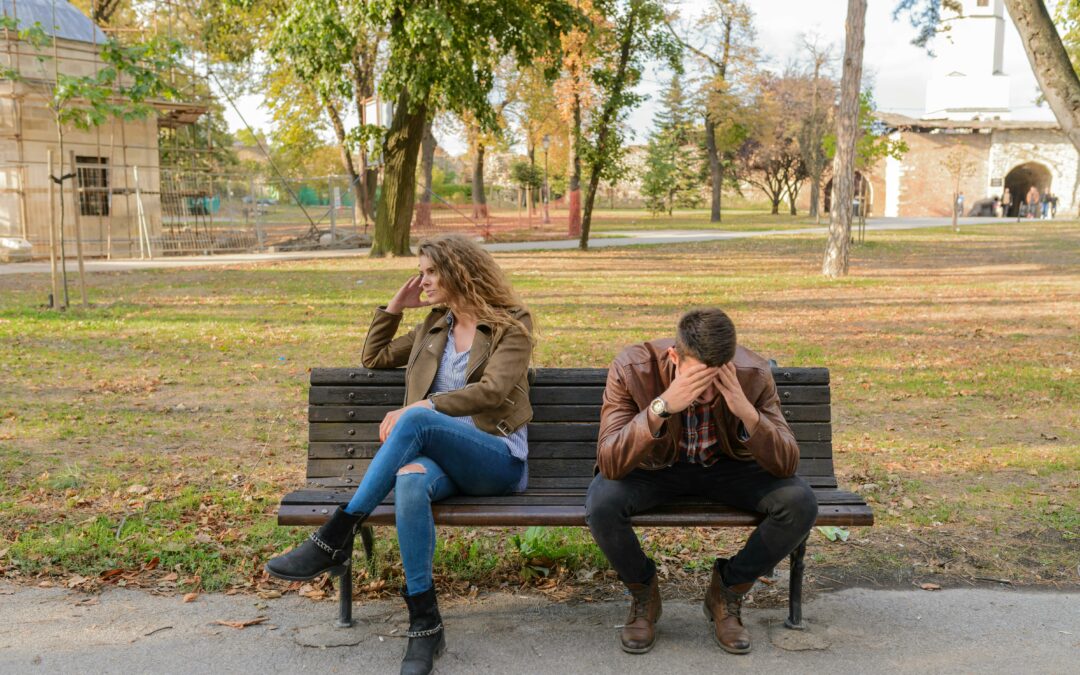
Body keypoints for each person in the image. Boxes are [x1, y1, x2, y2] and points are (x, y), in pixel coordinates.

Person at [265, 234, 534, 675]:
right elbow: (374, 357)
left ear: (458, 271)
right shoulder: (434, 326)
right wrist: (394, 307)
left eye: (430, 272)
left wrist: (424, 406)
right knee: (409, 479)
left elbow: (493, 392)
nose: (422, 281)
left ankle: (336, 534)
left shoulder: (511, 323)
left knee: (415, 420)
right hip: (440, 459)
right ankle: (424, 624)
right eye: (422, 273)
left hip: (496, 457)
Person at [585, 309, 816, 656]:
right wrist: (661, 408)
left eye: (716, 381)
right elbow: (611, 462)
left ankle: (728, 591)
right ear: (675, 357)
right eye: (696, 380)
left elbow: (786, 463)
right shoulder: (633, 368)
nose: (706, 394)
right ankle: (644, 592)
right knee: (601, 502)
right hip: (656, 469)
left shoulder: (752, 373)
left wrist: (745, 410)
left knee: (800, 502)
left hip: (726, 467)